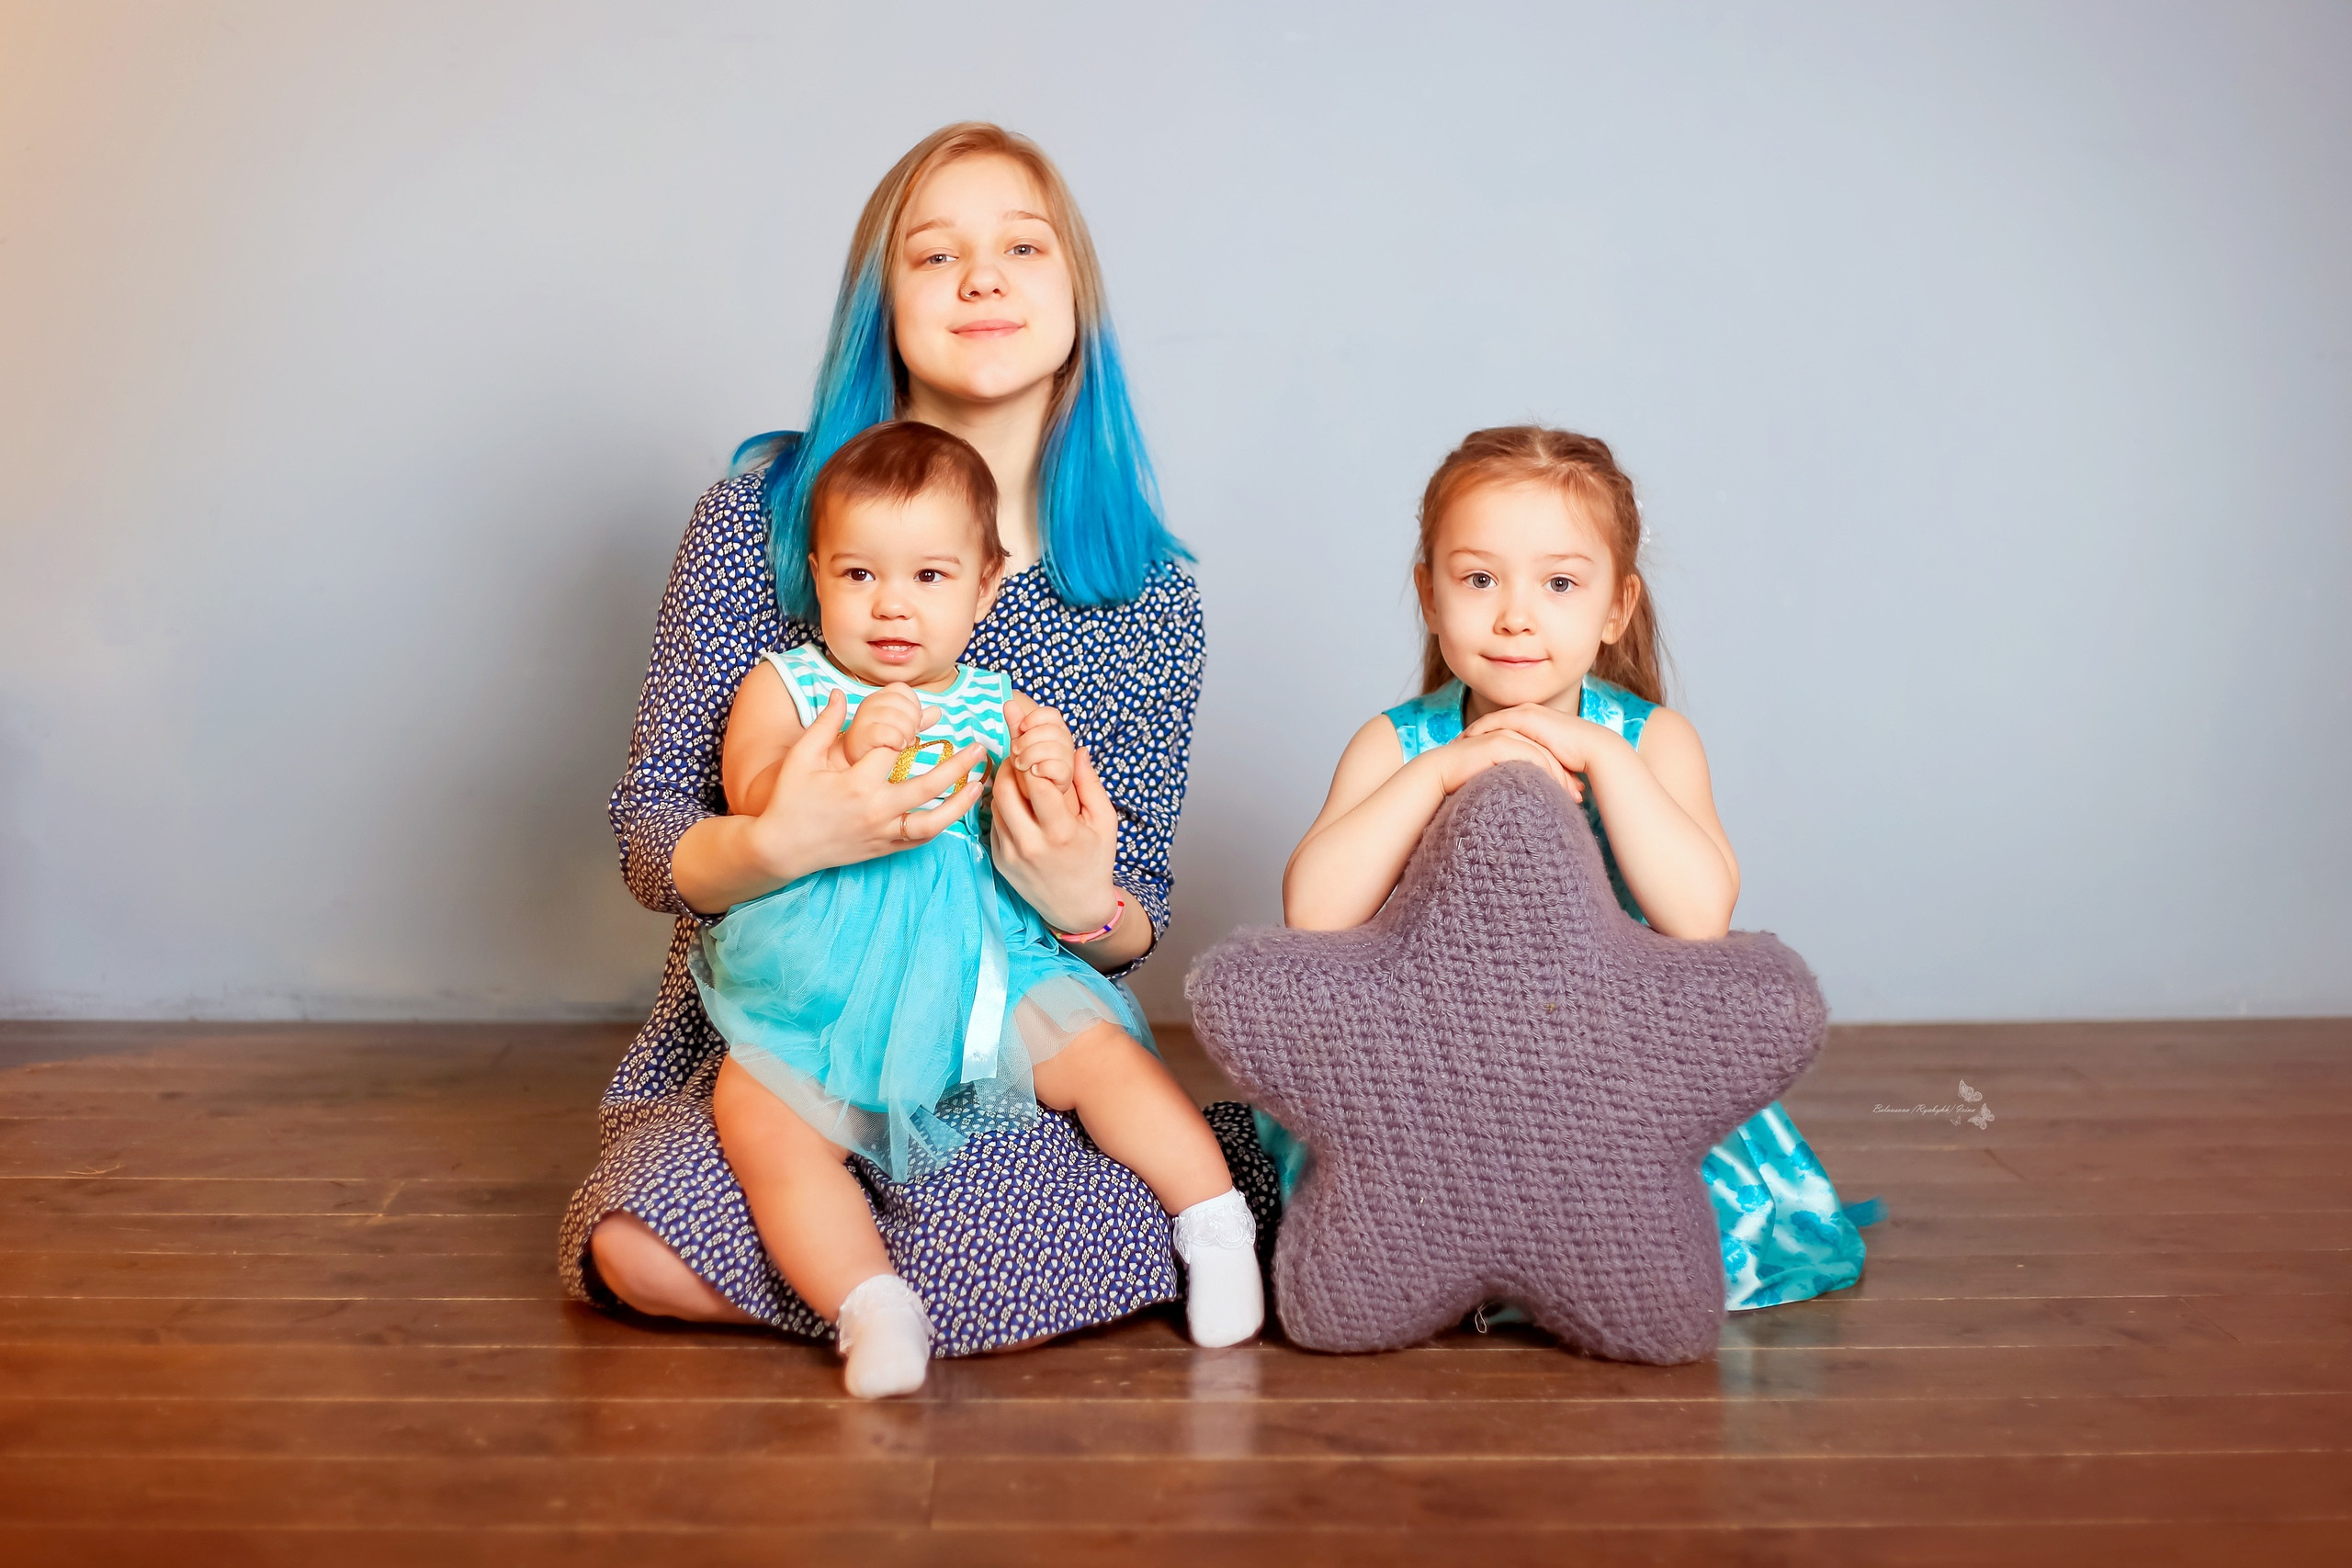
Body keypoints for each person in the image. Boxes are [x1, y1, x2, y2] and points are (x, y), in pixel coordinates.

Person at [560, 122, 1247, 1356]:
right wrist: (779, 839)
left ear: (1074, 293)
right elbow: (651, 834)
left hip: (997, 1042)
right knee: (642, 1247)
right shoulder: (759, 520)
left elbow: (1134, 911)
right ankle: (896, 1282)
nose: (983, 278)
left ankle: (913, 1273)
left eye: (1021, 246)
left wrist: (1085, 900)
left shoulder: (1148, 591)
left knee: (1099, 1142)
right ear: (882, 308)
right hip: (783, 1034)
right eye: (935, 257)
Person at [700, 421, 1259, 1396]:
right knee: (760, 1118)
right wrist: (839, 750)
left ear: (985, 588)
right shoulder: (790, 686)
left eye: (928, 577)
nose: (890, 608)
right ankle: (870, 1303)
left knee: (1103, 1057)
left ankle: (1213, 1219)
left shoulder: (998, 703)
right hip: (831, 980)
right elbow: (752, 796)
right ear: (817, 579)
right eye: (859, 575)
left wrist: (1044, 769)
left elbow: (1063, 824)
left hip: (988, 960)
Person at [1279, 425, 1867, 1310]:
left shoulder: (1650, 740)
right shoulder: (1397, 743)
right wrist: (1441, 771)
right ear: (1429, 597)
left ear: (1616, 607)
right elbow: (1312, 918)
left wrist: (1599, 755)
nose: (1517, 614)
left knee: (1650, 1217)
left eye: (1559, 583)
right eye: (1479, 579)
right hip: (1443, 1069)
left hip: (1613, 1071)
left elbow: (1701, 916)